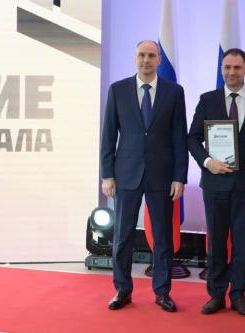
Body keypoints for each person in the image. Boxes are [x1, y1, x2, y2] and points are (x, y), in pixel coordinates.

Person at [187, 48, 245, 317]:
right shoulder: (207, 99)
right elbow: (192, 138)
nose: (231, 72)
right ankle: (216, 294)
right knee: (216, 242)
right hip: (215, 182)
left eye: (237, 67)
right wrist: (207, 162)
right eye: (227, 67)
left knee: (242, 242)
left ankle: (239, 294)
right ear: (221, 69)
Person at [100, 40, 188, 312]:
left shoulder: (174, 92)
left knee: (162, 237)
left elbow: (179, 137)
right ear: (135, 57)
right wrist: (107, 174)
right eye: (141, 55)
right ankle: (122, 290)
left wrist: (179, 177)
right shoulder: (118, 89)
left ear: (159, 59)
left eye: (151, 55)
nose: (146, 60)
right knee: (123, 236)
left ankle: (162, 292)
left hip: (162, 175)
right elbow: (108, 135)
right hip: (126, 174)